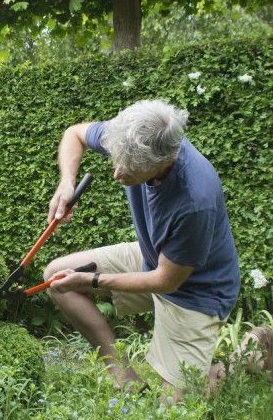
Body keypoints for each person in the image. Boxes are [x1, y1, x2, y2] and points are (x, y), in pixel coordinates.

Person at [44, 99, 241, 401]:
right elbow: (75, 134)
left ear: (162, 164)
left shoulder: (194, 199)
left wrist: (92, 281)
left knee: (173, 418)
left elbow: (166, 282)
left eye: (129, 167)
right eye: (115, 159)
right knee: (56, 278)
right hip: (155, 258)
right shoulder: (135, 135)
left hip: (196, 291)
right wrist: (66, 182)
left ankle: (238, 359)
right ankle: (125, 379)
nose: (117, 172)